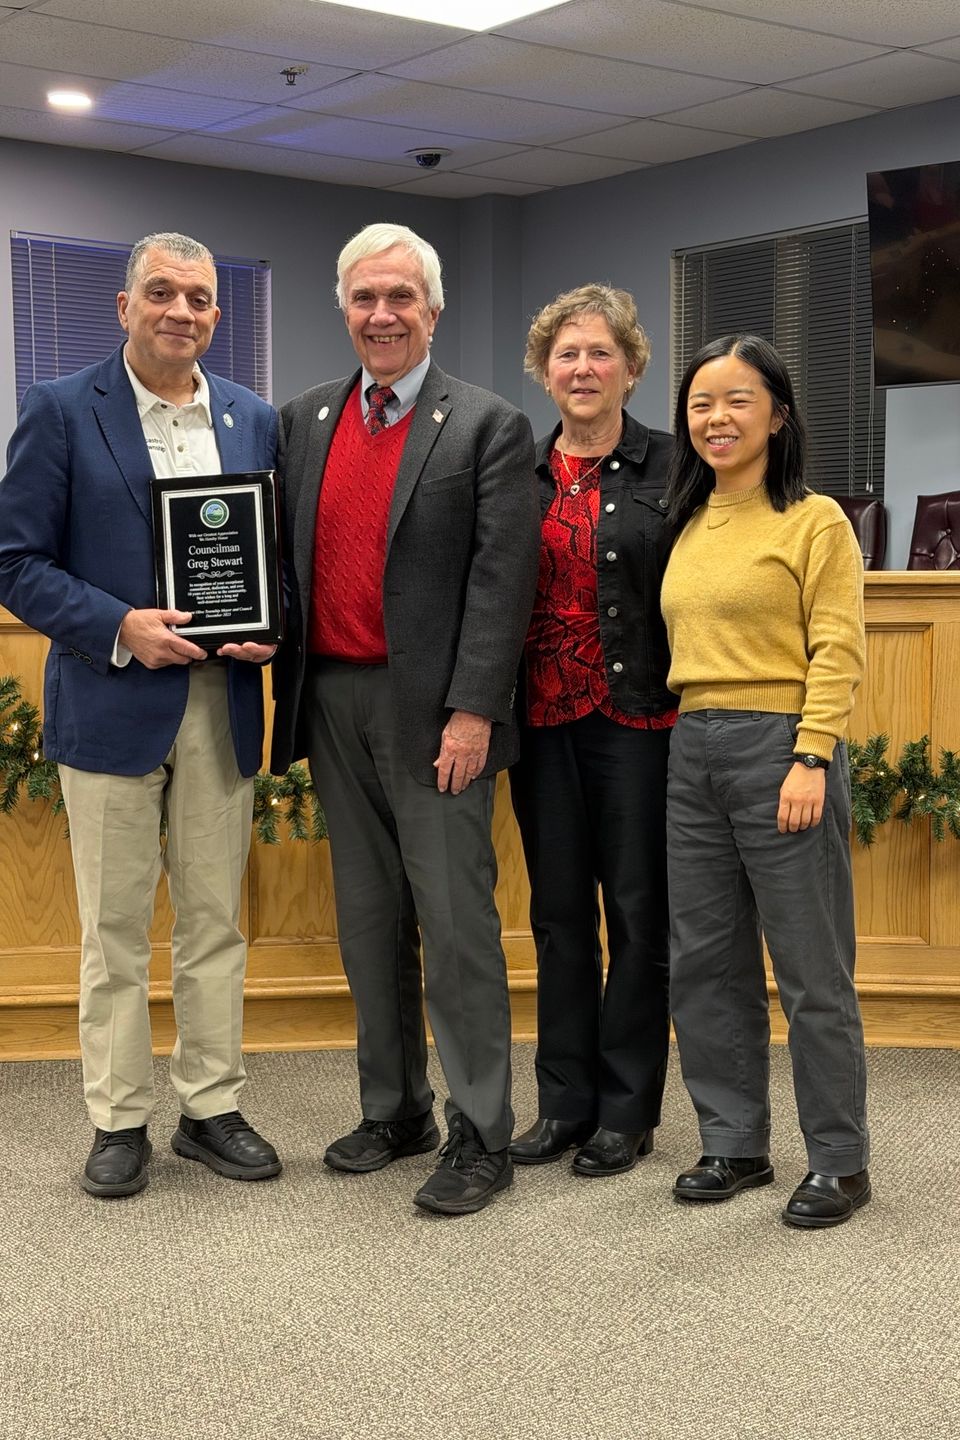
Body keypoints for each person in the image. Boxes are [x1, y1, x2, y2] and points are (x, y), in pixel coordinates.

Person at [0, 231, 281, 1197]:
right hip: (114, 699)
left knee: (214, 922)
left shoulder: (252, 419)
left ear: (216, 313)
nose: (182, 312)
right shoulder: (61, 409)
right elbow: (16, 563)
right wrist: (120, 624)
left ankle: (211, 1106)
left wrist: (268, 624)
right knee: (113, 929)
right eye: (161, 293)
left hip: (222, 703)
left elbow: (270, 558)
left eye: (200, 298)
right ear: (124, 307)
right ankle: (118, 1118)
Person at [270, 222, 539, 1216]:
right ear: (342, 307)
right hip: (331, 697)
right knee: (369, 919)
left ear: (433, 308)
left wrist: (473, 711)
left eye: (400, 297)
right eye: (363, 298)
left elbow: (501, 581)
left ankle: (481, 1132)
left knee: (457, 922)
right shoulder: (304, 419)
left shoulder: (486, 426)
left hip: (437, 717)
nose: (381, 314)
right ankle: (394, 1108)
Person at [661, 333, 870, 1229]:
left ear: (778, 415)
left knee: (811, 968)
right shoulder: (688, 516)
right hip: (692, 747)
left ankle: (839, 1160)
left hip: (783, 748)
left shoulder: (815, 519)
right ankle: (734, 1141)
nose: (717, 418)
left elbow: (839, 646)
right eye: (702, 403)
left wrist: (812, 753)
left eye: (738, 400)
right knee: (705, 966)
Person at [508, 285, 677, 1177]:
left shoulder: (673, 468)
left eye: (600, 352)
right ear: (543, 371)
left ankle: (627, 1110)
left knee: (640, 919)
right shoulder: (516, 475)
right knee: (558, 920)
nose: (583, 368)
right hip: (540, 722)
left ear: (632, 367)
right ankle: (563, 1105)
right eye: (566, 354)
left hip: (639, 720)